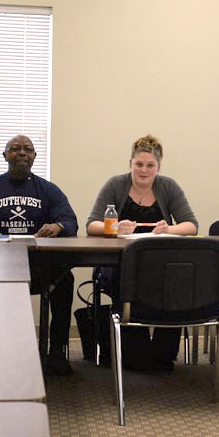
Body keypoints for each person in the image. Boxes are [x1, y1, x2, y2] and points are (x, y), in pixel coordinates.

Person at [0, 134, 79, 375]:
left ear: (35, 156)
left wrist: (58, 227)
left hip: (41, 268)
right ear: (5, 156)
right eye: (15, 149)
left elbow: (70, 222)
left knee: (65, 280)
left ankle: (57, 351)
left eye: (28, 149)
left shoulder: (48, 190)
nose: (22, 153)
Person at [86, 135, 199, 371]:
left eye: (150, 166)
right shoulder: (115, 185)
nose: (144, 170)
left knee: (176, 282)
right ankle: (133, 352)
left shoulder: (168, 186)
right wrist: (115, 229)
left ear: (158, 167)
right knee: (123, 284)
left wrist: (169, 229)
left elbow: (191, 225)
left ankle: (163, 354)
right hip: (121, 265)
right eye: (139, 164)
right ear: (130, 164)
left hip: (161, 266)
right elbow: (91, 225)